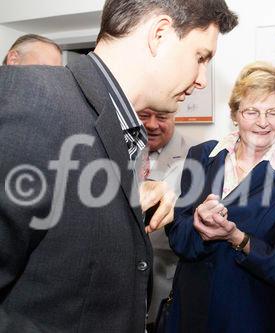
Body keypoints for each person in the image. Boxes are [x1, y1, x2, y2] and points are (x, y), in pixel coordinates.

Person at [0, 0, 238, 331]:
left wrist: (127, 201)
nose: (201, 80)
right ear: (160, 34)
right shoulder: (36, 99)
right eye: (200, 58)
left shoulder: (117, 128)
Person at [164, 61, 275, 332]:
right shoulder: (202, 157)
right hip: (193, 313)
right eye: (251, 111)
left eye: (273, 112)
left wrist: (239, 239)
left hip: (253, 318)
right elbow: (178, 239)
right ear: (235, 114)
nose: (262, 123)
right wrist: (199, 227)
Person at [136, 108, 192, 330]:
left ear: (174, 117)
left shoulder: (196, 155)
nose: (152, 124)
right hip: (118, 285)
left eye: (161, 117)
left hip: (167, 283)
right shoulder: (114, 148)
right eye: (144, 116)